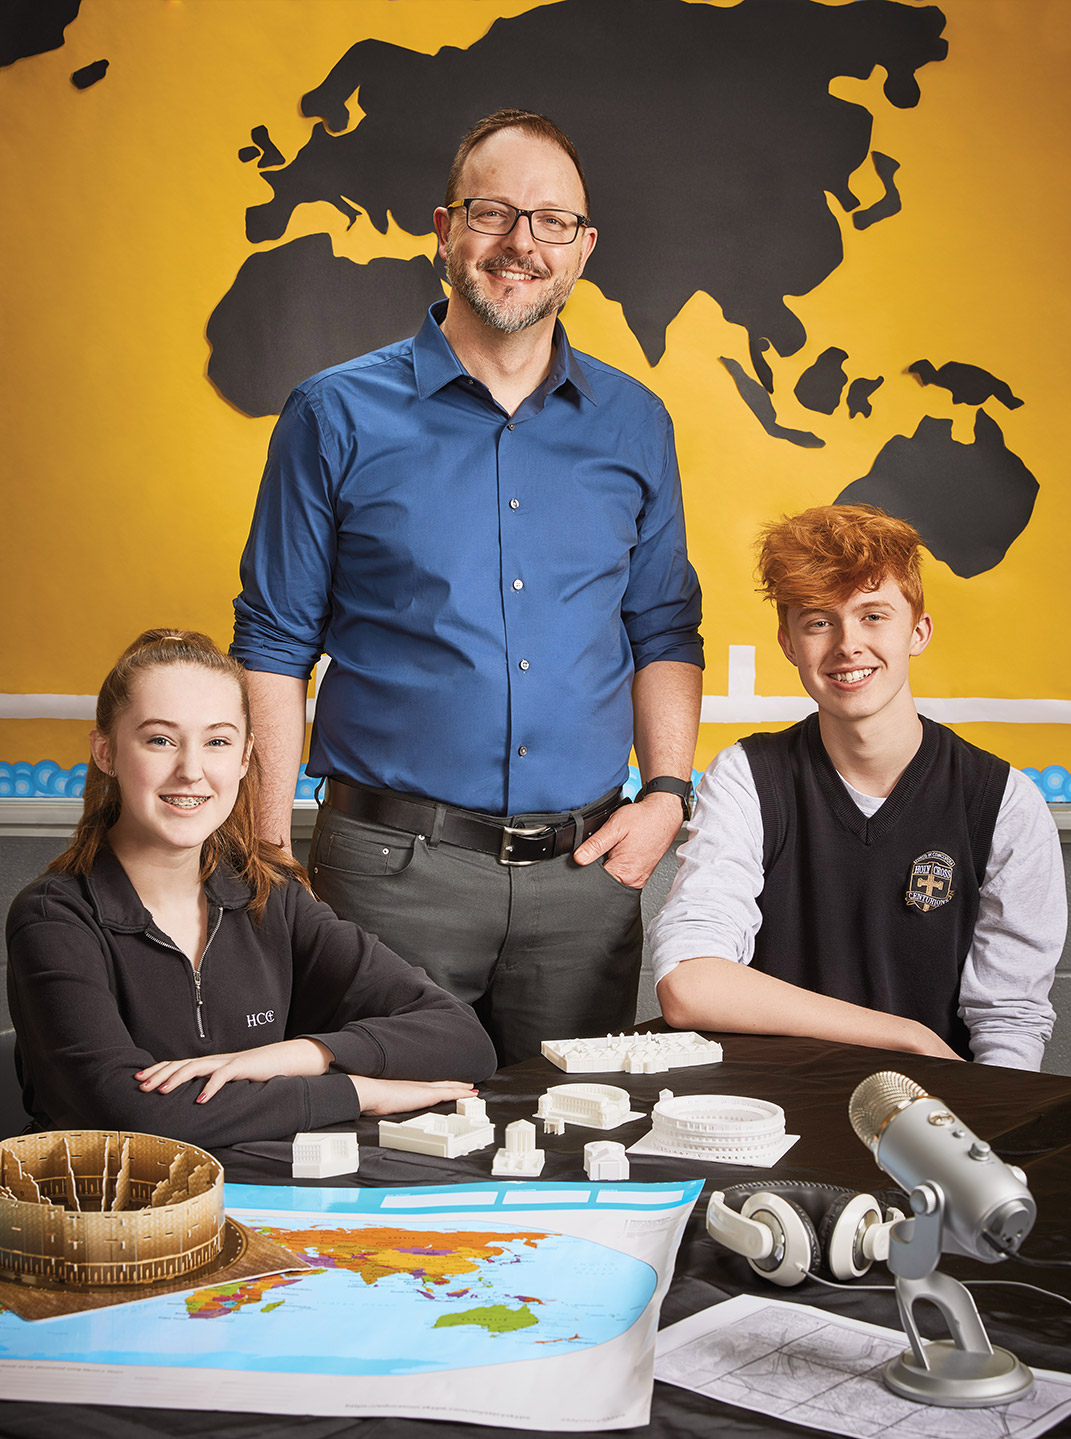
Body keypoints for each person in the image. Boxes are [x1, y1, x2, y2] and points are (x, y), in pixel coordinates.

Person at [231, 109, 704, 1065]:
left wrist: (665, 796)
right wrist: (269, 855)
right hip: (387, 876)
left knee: (580, 1158)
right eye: (492, 213)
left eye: (550, 221)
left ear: (582, 251)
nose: (521, 243)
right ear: (445, 230)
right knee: (381, 1159)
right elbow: (275, 643)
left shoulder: (636, 425)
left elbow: (664, 628)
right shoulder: (332, 415)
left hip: (586, 881)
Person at [6, 630, 497, 1145]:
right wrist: (357, 1092)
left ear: (244, 758)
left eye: (217, 741)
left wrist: (293, 1056)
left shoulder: (272, 894)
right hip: (113, 1212)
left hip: (269, 1202)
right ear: (105, 751)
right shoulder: (53, 919)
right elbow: (134, 1116)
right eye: (160, 740)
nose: (191, 771)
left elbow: (462, 1039)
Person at [650, 504, 1066, 1070]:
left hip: (934, 1114)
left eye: (874, 616)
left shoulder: (1002, 801)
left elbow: (1009, 1022)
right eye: (819, 621)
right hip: (772, 1118)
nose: (848, 644)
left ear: (918, 632)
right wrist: (904, 1036)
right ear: (789, 644)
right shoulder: (749, 777)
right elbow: (690, 984)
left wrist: (978, 1144)